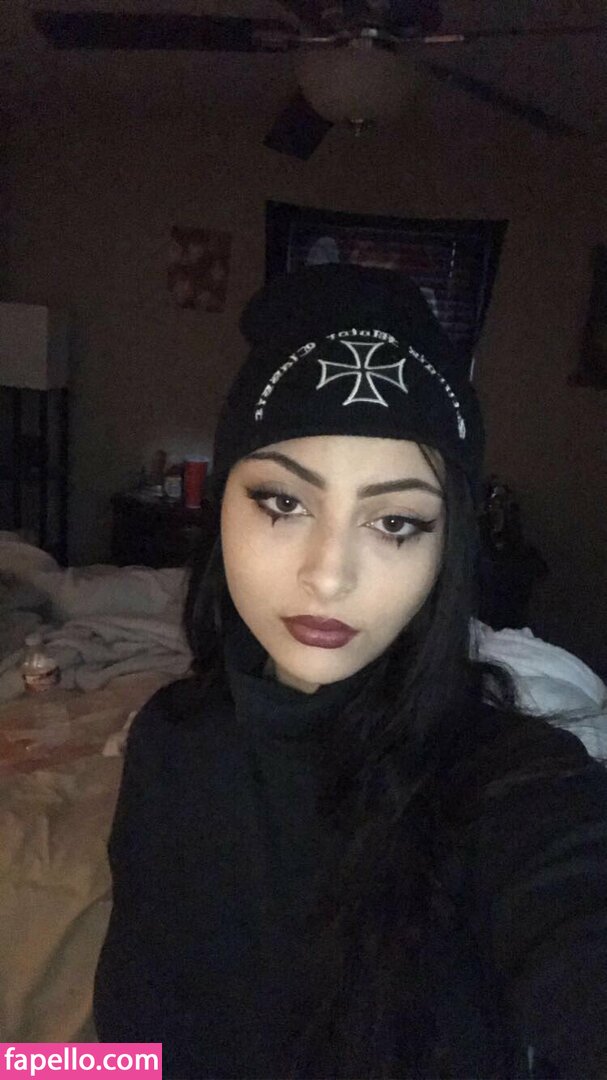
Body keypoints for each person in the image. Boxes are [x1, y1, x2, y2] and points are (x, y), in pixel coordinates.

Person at [94, 265, 607, 1079]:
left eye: (395, 521)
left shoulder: (511, 783)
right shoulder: (169, 742)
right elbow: (127, 1047)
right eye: (283, 502)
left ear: (444, 550)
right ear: (221, 505)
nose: (328, 576)